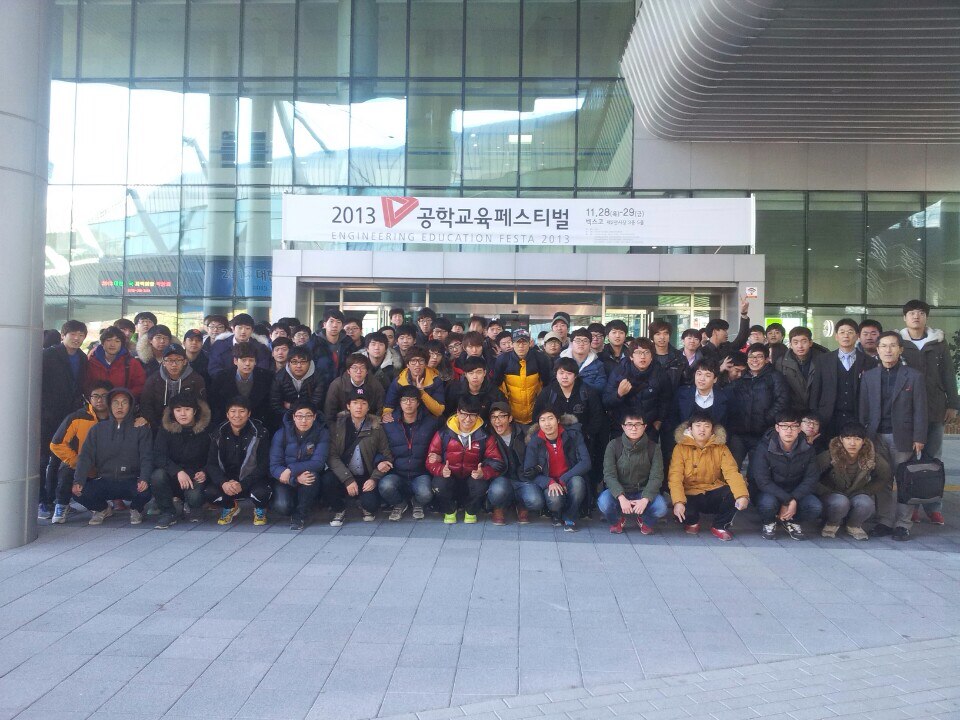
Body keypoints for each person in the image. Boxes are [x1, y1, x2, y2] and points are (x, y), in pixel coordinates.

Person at [860, 331, 928, 541]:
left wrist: (919, 437)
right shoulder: (869, 376)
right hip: (876, 436)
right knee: (883, 480)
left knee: (905, 480)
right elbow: (863, 409)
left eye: (892, 346)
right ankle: (885, 521)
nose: (888, 350)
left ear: (900, 349)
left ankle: (903, 524)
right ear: (877, 350)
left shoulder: (913, 376)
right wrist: (864, 437)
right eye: (883, 346)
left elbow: (921, 409)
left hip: (903, 437)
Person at [73, 388, 153, 526]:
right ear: (109, 405)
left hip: (131, 479)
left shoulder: (140, 429)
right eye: (115, 402)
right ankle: (102, 509)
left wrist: (144, 478)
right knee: (78, 492)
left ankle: (136, 509)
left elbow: (147, 456)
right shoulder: (97, 429)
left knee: (146, 491)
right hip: (105, 479)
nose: (119, 406)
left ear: (131, 406)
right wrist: (78, 480)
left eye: (124, 402)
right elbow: (85, 456)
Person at [899, 299, 959, 480]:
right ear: (904, 318)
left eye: (921, 313)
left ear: (926, 317)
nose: (916, 316)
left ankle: (932, 495)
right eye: (912, 313)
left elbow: (948, 373)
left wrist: (953, 404)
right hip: (906, 409)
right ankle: (909, 495)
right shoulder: (898, 342)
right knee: (906, 457)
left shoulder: (938, 342)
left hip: (935, 406)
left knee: (933, 456)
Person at [668, 410, 749, 541]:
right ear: (690, 429)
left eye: (706, 426)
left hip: (713, 489)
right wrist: (678, 502)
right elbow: (675, 477)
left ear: (712, 430)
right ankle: (692, 521)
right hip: (690, 492)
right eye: (698, 425)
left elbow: (732, 472)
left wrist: (742, 495)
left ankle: (719, 526)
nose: (702, 430)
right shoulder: (680, 448)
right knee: (685, 512)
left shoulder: (721, 447)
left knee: (735, 493)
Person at [425, 396, 507, 524]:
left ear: (478, 416)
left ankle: (471, 511)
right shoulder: (443, 433)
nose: (468, 419)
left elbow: (497, 462)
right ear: (458, 412)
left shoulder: (485, 436)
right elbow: (430, 460)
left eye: (472, 415)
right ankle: (450, 510)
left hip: (472, 478)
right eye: (464, 414)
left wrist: (483, 472)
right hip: (450, 477)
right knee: (439, 483)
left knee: (480, 483)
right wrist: (441, 470)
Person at [40, 320, 89, 519]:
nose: (77, 338)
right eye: (73, 334)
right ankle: (43, 501)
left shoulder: (83, 358)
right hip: (48, 415)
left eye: (81, 335)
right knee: (45, 459)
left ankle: (59, 500)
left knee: (63, 458)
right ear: (63, 335)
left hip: (69, 416)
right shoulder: (49, 355)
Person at [322, 389, 393, 526]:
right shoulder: (337, 426)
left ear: (368, 407)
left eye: (363, 403)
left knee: (371, 505)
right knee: (327, 480)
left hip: (366, 475)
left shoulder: (377, 427)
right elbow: (332, 456)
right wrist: (347, 479)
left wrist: (374, 478)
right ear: (348, 406)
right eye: (355, 403)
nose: (359, 407)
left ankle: (363, 504)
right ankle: (339, 509)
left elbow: (387, 456)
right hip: (344, 474)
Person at [750, 411, 823, 541]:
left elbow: (811, 479)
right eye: (784, 426)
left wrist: (793, 498)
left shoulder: (808, 449)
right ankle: (769, 522)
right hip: (770, 492)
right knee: (767, 504)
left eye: (793, 426)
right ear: (777, 428)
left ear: (799, 429)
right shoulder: (764, 447)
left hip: (796, 491)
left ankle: (791, 521)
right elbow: (762, 481)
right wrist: (788, 500)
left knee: (815, 506)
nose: (789, 430)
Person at [48, 380, 113, 523]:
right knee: (66, 473)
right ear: (89, 398)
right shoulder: (77, 417)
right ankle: (62, 505)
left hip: (108, 467)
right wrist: (77, 461)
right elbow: (56, 444)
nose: (99, 400)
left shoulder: (119, 418)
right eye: (95, 396)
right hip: (81, 466)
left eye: (104, 396)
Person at [816, 422, 892, 540]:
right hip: (832, 494)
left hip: (856, 493)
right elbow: (811, 475)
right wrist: (824, 490)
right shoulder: (830, 455)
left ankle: (853, 525)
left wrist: (867, 490)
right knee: (840, 502)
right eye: (848, 438)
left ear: (863, 441)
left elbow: (884, 476)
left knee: (866, 503)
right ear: (841, 439)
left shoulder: (871, 456)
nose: (852, 443)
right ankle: (832, 523)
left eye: (857, 439)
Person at [205, 395, 272, 526]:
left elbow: (264, 465)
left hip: (252, 480)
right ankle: (230, 506)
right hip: (228, 481)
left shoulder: (259, 433)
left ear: (249, 414)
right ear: (227, 414)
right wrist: (223, 482)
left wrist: (244, 484)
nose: (237, 415)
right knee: (209, 493)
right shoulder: (218, 433)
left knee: (262, 493)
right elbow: (211, 464)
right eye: (233, 411)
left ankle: (260, 509)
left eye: (242, 411)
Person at [150, 391, 213, 529]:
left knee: (195, 497)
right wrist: (177, 471)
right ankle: (167, 512)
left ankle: (194, 506)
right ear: (173, 412)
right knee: (157, 476)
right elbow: (158, 455)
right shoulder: (166, 429)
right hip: (173, 475)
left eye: (187, 409)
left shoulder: (206, 430)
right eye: (178, 410)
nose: (182, 414)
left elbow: (213, 457)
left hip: (195, 475)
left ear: (195, 411)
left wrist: (205, 472)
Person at [598, 413, 669, 535]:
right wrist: (621, 497)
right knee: (603, 502)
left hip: (642, 491)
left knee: (661, 507)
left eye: (638, 424)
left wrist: (645, 499)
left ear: (645, 426)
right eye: (629, 424)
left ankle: (645, 520)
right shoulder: (614, 445)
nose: (634, 428)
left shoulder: (653, 448)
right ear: (623, 427)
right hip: (620, 491)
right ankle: (617, 521)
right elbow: (609, 475)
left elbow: (656, 476)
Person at [522, 407, 591, 531]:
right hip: (549, 481)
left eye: (550, 418)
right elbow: (528, 472)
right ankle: (556, 513)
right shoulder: (534, 442)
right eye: (542, 420)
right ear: (539, 424)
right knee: (555, 500)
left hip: (569, 477)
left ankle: (570, 516)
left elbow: (586, 462)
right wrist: (549, 482)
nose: (547, 423)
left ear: (558, 420)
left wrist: (564, 479)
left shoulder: (573, 435)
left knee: (578, 484)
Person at [379, 385, 439, 521]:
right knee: (385, 486)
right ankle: (400, 504)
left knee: (426, 494)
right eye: (404, 400)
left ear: (418, 403)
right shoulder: (389, 423)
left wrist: (438, 456)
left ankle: (417, 503)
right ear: (399, 403)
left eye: (412, 400)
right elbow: (379, 447)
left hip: (420, 473)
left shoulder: (431, 422)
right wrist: (380, 461)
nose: (408, 403)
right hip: (397, 472)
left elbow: (441, 443)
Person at [810, 318, 876, 439]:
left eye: (850, 332)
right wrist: (814, 417)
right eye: (842, 332)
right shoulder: (823, 360)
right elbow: (816, 390)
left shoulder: (869, 362)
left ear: (857, 336)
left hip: (857, 416)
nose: (846, 335)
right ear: (836, 336)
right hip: (829, 417)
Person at [269, 400, 330, 530]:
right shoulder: (281, 434)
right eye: (299, 416)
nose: (303, 420)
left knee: (311, 476)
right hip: (285, 479)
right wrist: (294, 478)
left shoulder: (322, 433)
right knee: (283, 507)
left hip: (303, 475)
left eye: (308, 416)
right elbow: (274, 466)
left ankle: (300, 515)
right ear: (293, 417)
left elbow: (318, 463)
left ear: (314, 417)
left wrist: (291, 469)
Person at [727, 343, 789, 468]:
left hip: (763, 433)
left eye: (759, 356)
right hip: (739, 433)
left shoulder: (775, 377)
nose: (754, 360)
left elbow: (782, 401)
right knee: (731, 468)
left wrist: (766, 418)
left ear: (767, 359)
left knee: (757, 470)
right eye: (751, 357)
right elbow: (728, 398)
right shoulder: (741, 377)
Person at [603, 338, 672, 436]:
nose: (642, 356)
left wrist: (659, 421)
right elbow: (606, 402)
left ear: (652, 356)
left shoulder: (660, 374)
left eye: (646, 352)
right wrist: (619, 394)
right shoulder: (619, 372)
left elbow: (666, 400)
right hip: (623, 427)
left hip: (649, 427)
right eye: (638, 352)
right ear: (631, 356)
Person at [488, 401, 537, 524]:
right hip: (501, 478)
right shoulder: (488, 434)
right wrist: (488, 462)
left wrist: (536, 468)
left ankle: (520, 503)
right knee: (497, 492)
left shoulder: (525, 432)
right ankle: (500, 506)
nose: (497, 421)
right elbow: (480, 456)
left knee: (535, 500)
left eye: (501, 416)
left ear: (510, 418)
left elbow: (538, 456)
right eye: (493, 417)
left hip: (523, 478)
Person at [493, 329, 553, 425]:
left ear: (529, 343)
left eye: (524, 342)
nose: (521, 346)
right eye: (517, 342)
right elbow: (497, 385)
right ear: (512, 344)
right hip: (511, 416)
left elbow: (546, 384)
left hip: (535, 414)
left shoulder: (540, 358)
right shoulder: (503, 360)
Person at [141, 344, 208, 429]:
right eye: (169, 360)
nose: (174, 364)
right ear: (163, 362)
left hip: (188, 425)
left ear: (185, 361)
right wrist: (158, 426)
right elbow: (146, 405)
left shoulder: (196, 379)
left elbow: (202, 406)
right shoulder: (153, 380)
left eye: (178, 360)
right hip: (158, 425)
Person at [210, 342, 273, 427]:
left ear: (255, 362)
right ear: (235, 361)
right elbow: (215, 404)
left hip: (258, 422)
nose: (247, 364)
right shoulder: (221, 378)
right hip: (227, 422)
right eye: (243, 360)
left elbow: (269, 406)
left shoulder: (267, 377)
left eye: (251, 360)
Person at [383, 347, 446, 422]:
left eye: (421, 361)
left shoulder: (435, 381)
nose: (417, 365)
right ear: (407, 365)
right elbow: (389, 405)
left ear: (425, 364)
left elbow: (439, 411)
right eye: (413, 361)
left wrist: (422, 392)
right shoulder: (399, 382)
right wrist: (386, 414)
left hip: (427, 418)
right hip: (404, 417)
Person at [85, 326, 146, 400]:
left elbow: (140, 385)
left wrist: (124, 397)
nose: (112, 344)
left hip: (122, 404)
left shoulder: (132, 363)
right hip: (98, 404)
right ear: (102, 343)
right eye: (108, 340)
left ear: (122, 344)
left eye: (117, 341)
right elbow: (86, 385)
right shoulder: (91, 362)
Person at [324, 353, 385, 423]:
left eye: (362, 368)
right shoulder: (337, 385)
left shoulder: (375, 385)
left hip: (368, 422)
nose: (358, 372)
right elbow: (329, 412)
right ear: (348, 371)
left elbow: (380, 408)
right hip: (343, 422)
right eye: (355, 368)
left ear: (367, 371)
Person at [271, 346, 326, 423]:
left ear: (310, 362)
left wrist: (291, 406)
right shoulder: (280, 377)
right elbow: (276, 404)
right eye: (294, 362)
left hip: (311, 418)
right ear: (288, 362)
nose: (299, 366)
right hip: (286, 418)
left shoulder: (318, 377)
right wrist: (293, 417)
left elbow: (317, 403)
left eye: (303, 362)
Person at [775, 326, 824, 413]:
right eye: (795, 342)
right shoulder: (781, 362)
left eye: (804, 342)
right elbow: (779, 391)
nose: (800, 346)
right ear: (790, 345)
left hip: (817, 410)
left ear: (810, 343)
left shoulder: (822, 360)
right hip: (791, 411)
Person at [207, 313, 273, 377]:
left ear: (252, 330)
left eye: (247, 328)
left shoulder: (260, 348)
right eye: (240, 328)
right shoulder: (219, 345)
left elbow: (262, 370)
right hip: (223, 382)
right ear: (233, 329)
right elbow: (214, 368)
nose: (243, 331)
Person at [445, 356, 506, 420]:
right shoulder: (454, 390)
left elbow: (501, 413)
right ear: (465, 374)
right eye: (471, 373)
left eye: (479, 372)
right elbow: (448, 414)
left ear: (484, 373)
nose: (475, 377)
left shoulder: (494, 392)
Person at [700, 296, 751, 362]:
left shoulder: (728, 347)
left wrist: (744, 314)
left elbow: (741, 338)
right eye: (724, 330)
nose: (727, 333)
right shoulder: (702, 352)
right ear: (715, 331)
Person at [559, 328, 607, 393]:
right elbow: (554, 384)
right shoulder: (560, 362)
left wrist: (578, 387)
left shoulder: (598, 365)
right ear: (571, 343)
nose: (581, 344)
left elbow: (600, 387)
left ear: (590, 344)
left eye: (585, 341)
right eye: (578, 340)